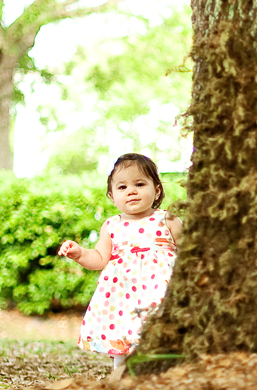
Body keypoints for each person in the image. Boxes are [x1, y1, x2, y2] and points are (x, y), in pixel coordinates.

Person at [59, 153, 182, 371]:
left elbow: (189, 252)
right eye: (122, 187)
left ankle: (165, 370)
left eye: (139, 184)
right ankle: (121, 373)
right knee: (124, 334)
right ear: (112, 196)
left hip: (160, 292)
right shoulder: (111, 226)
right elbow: (99, 258)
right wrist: (79, 253)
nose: (131, 191)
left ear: (157, 190)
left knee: (162, 332)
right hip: (122, 296)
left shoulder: (168, 219)